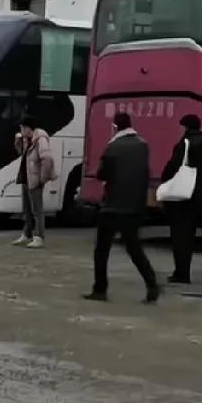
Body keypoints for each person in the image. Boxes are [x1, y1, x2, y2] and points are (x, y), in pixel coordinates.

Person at [84, 112, 160, 303]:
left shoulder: (113, 147)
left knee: (102, 250)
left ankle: (100, 289)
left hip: (112, 206)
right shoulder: (143, 145)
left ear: (115, 126)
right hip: (134, 207)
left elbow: (102, 174)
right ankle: (152, 284)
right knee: (134, 248)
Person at [160, 114, 202, 284]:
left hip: (183, 197)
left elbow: (172, 168)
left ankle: (181, 273)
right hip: (201, 197)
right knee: (189, 236)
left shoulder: (185, 144)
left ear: (186, 127)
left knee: (180, 236)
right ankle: (183, 270)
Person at [12, 115, 54, 248]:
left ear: (28, 128)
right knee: (27, 209)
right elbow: (23, 155)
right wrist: (18, 142)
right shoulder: (26, 139)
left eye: (22, 128)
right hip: (26, 177)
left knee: (37, 209)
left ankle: (39, 236)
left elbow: (47, 158)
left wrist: (43, 178)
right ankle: (27, 234)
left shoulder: (40, 139)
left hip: (35, 179)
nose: (21, 130)